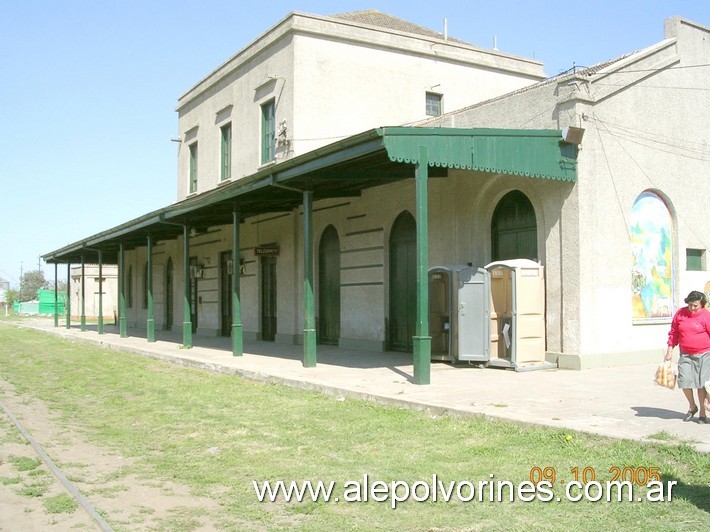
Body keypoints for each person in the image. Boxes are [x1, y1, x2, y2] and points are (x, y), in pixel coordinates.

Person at [665, 290, 710, 424]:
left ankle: (702, 412)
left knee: (701, 384)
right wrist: (669, 350)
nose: (692, 308)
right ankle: (692, 406)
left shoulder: (706, 316)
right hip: (685, 354)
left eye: (695, 305)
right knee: (684, 381)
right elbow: (673, 333)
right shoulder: (680, 314)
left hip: (704, 354)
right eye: (690, 305)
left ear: (702, 305)